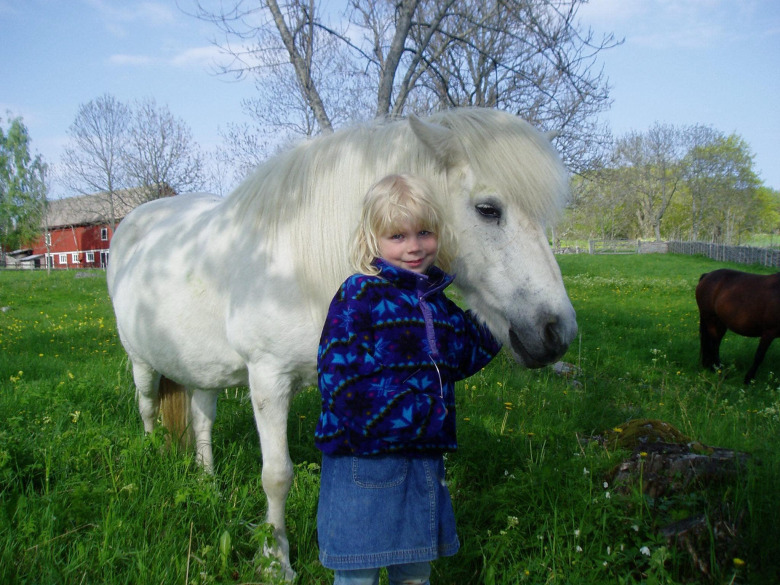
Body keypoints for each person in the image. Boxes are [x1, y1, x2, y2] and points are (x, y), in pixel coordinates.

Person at [314, 174, 502, 585]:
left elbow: (463, 352)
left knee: (415, 571)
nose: (414, 246)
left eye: (424, 232)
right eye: (397, 236)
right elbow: (340, 381)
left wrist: (503, 317)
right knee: (357, 575)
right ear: (373, 240)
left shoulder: (436, 302)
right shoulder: (359, 295)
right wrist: (415, 413)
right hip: (364, 461)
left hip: (421, 462)